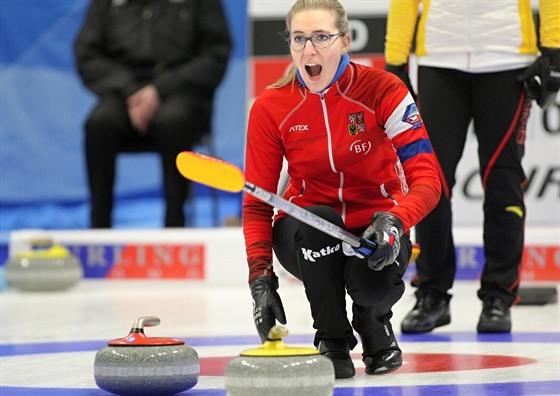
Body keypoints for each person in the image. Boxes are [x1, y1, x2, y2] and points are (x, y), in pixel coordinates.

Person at [242, 0, 441, 379]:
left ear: (346, 41)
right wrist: (261, 281)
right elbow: (257, 204)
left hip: (377, 225)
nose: (309, 51)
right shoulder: (271, 107)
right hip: (305, 229)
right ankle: (331, 339)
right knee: (319, 219)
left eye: (321, 37)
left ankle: (374, 323)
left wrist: (395, 221)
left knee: (372, 285)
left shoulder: (385, 89)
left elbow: (428, 180)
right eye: (299, 39)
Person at [384, 0, 560, 334]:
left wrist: (553, 48)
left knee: (503, 183)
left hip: (508, 57)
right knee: (430, 181)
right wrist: (396, 59)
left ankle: (498, 296)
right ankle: (432, 293)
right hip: (439, 58)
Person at [74, 0, 232, 228]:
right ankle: (99, 229)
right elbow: (86, 54)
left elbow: (215, 56)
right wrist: (131, 90)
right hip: (123, 93)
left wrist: (160, 89)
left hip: (181, 91)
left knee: (174, 121)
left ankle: (175, 226)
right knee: (99, 124)